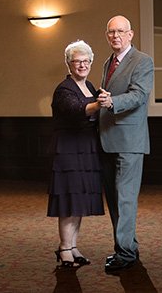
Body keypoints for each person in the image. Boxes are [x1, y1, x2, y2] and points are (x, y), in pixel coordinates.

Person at [97, 15, 154, 273]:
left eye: (120, 31)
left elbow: (139, 95)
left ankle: (126, 254)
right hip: (107, 140)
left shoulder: (142, 61)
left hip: (130, 142)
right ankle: (126, 247)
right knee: (115, 199)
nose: (115, 36)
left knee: (126, 199)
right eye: (111, 32)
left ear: (131, 34)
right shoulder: (108, 62)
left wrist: (113, 103)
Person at [47, 40, 104, 268]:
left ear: (91, 62)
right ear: (69, 64)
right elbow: (76, 110)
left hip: (87, 147)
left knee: (79, 201)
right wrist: (100, 103)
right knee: (69, 201)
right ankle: (64, 248)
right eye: (77, 61)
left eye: (86, 61)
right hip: (68, 149)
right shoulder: (64, 89)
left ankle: (73, 246)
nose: (82, 65)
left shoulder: (90, 86)